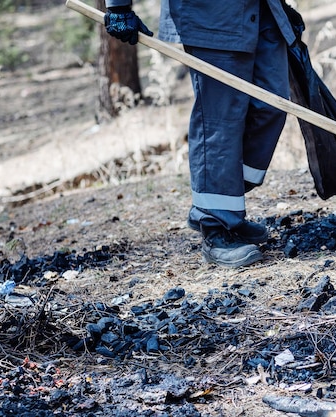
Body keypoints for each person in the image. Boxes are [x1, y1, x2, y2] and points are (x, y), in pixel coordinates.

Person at [103, 0, 298, 268]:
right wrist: (118, 7)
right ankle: (216, 225)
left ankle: (224, 203)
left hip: (260, 8)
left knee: (272, 105)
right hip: (209, 15)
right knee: (220, 118)